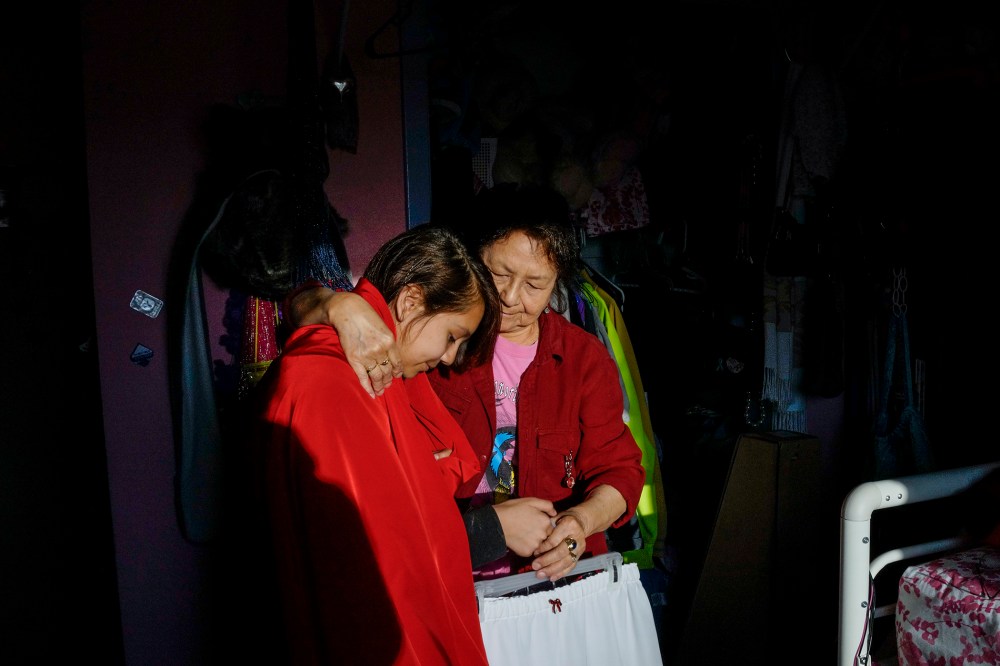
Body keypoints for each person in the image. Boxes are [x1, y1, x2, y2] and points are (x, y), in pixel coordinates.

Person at [289, 183, 646, 584]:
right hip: (450, 574)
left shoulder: (583, 360)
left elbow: (621, 471)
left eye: (534, 285)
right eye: (499, 274)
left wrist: (579, 524)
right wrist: (335, 303)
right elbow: (302, 305)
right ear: (473, 259)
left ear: (557, 282)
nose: (511, 297)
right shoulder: (435, 343)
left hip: (550, 585)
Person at [249, 224, 500, 665]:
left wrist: (326, 302)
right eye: (453, 336)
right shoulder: (334, 381)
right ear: (410, 301)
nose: (448, 359)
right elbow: (360, 591)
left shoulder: (382, 378)